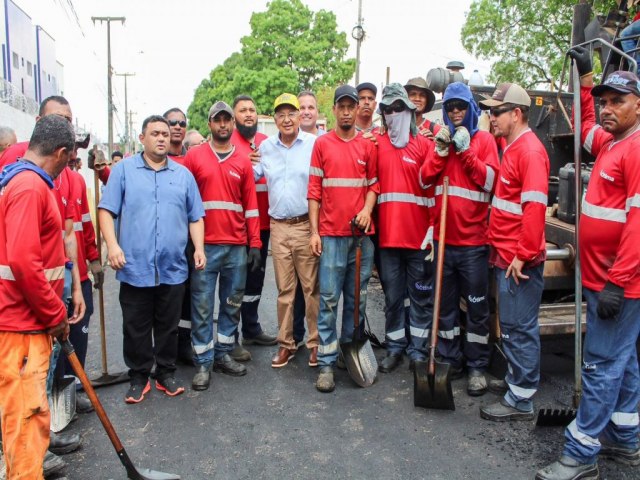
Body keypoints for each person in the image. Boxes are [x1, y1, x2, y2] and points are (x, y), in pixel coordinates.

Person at [535, 52, 640, 480]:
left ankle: (580, 454)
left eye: (618, 100)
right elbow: (585, 130)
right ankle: (625, 437)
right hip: (601, 278)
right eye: (605, 100)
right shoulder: (611, 141)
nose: (608, 108)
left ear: (639, 104)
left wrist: (617, 282)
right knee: (625, 360)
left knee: (600, 363)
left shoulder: (636, 150)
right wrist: (585, 78)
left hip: (619, 283)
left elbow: (638, 223)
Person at [99, 115, 206, 404]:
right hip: (134, 265)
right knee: (135, 325)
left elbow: (195, 215)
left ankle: (166, 373)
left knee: (169, 325)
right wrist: (112, 246)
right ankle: (138, 376)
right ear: (142, 138)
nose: (161, 137)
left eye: (165, 133)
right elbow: (106, 211)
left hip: (172, 267)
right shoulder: (123, 171)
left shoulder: (182, 175)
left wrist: (199, 248)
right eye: (155, 133)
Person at [0, 115, 73, 479]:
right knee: (27, 421)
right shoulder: (30, 187)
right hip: (23, 327)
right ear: (60, 153)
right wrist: (54, 313)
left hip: (26, 323)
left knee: (27, 418)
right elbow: (25, 264)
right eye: (68, 161)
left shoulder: (20, 180)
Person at [419, 82, 499, 395]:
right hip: (444, 242)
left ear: (470, 109)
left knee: (478, 309)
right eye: (450, 107)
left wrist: (466, 153)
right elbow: (424, 180)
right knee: (446, 309)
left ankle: (478, 366)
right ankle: (451, 359)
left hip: (473, 244)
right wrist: (440, 152)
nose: (455, 112)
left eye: (460, 107)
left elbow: (490, 181)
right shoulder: (440, 142)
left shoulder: (485, 141)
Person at [476, 83, 549, 421]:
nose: (491, 118)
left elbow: (534, 209)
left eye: (496, 112)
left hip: (517, 260)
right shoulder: (512, 146)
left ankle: (521, 397)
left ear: (516, 114)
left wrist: (523, 254)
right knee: (512, 325)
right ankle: (514, 382)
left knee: (519, 327)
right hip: (505, 255)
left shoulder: (530, 152)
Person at [184, 101, 262, 391]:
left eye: (227, 120)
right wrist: (191, 244)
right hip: (206, 247)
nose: (224, 125)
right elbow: (186, 203)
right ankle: (203, 363)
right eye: (218, 120)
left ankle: (223, 353)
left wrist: (254, 243)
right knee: (202, 307)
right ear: (210, 124)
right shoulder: (195, 157)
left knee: (231, 304)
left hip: (236, 247)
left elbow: (251, 206)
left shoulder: (242, 159)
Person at [308, 85, 379, 393]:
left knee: (357, 300)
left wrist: (366, 210)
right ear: (335, 110)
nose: (348, 111)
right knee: (328, 300)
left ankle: (348, 353)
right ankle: (325, 364)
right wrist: (314, 232)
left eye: (353, 106)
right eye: (343, 106)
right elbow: (314, 192)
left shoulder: (367, 146)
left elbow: (374, 186)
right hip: (332, 237)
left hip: (361, 238)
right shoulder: (322, 145)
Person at [254, 93, 319, 368]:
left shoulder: (315, 144)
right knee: (285, 291)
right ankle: (286, 344)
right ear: (275, 119)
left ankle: (315, 344)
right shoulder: (266, 148)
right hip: (279, 227)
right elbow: (252, 173)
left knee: (311, 289)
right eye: (280, 114)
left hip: (306, 225)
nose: (287, 119)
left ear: (299, 116)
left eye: (291, 113)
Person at [374, 83, 434, 373]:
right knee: (393, 299)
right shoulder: (377, 146)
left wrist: (433, 230)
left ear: (409, 111)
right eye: (387, 110)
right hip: (388, 241)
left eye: (398, 108)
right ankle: (395, 348)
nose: (392, 114)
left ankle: (418, 351)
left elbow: (435, 192)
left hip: (419, 242)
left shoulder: (425, 146)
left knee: (421, 299)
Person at [230, 95, 277, 362]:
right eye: (243, 110)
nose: (248, 114)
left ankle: (251, 328)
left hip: (265, 223)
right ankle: (231, 335)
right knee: (237, 281)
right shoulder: (229, 144)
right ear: (235, 116)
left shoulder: (266, 143)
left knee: (256, 281)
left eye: (252, 110)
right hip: (239, 227)